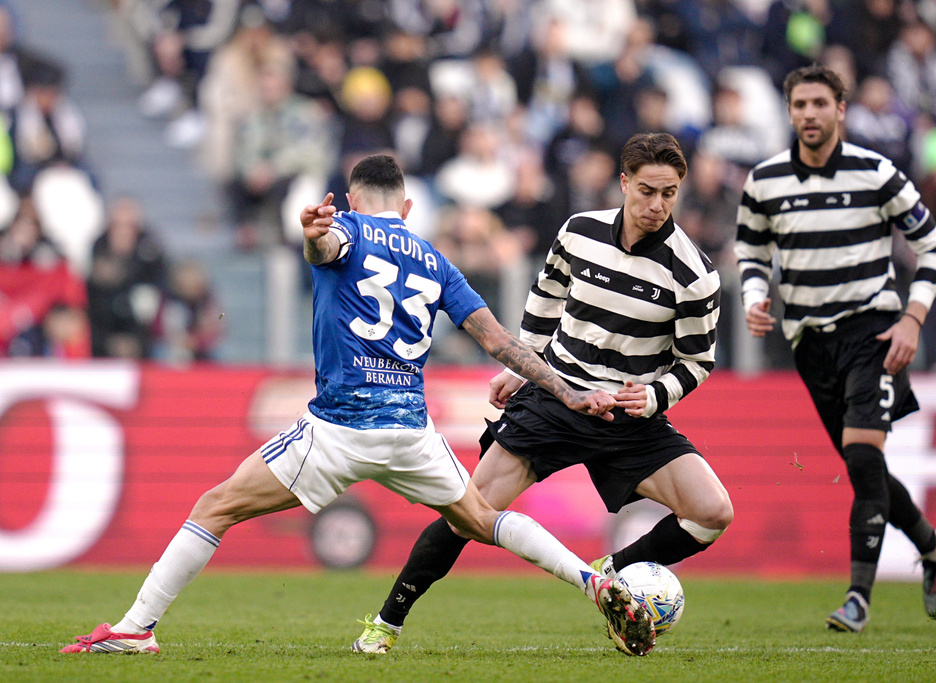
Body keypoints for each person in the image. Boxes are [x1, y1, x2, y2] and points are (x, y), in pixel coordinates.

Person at [60, 154, 655, 657]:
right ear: (407, 206)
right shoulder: (435, 259)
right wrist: (570, 392)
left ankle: (137, 627)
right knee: (482, 519)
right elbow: (501, 342)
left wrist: (313, 231)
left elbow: (328, 247)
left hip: (340, 427)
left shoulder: (345, 227)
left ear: (351, 197)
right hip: (411, 433)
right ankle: (590, 579)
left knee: (215, 507)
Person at [353, 132, 733, 655]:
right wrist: (524, 365)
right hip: (555, 401)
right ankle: (386, 622)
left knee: (713, 512)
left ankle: (611, 575)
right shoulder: (579, 232)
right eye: (647, 190)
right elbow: (546, 299)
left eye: (669, 193)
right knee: (466, 511)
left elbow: (697, 362)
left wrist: (653, 397)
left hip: (628, 420)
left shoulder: (695, 275)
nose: (657, 204)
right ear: (623, 183)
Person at [733, 65, 936, 633]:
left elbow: (933, 248)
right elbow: (752, 250)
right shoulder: (765, 181)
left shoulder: (876, 173)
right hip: (809, 343)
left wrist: (912, 318)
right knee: (866, 468)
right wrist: (755, 295)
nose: (809, 114)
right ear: (789, 112)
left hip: (875, 331)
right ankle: (933, 548)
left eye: (819, 103)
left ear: (841, 109)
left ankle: (858, 596)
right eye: (799, 104)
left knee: (861, 456)